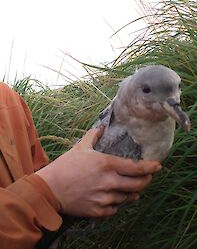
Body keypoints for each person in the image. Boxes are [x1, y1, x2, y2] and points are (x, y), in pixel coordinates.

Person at [0, 82, 161, 249]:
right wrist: (50, 190)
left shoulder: (9, 98)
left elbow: (38, 170)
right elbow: (47, 187)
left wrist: (80, 185)